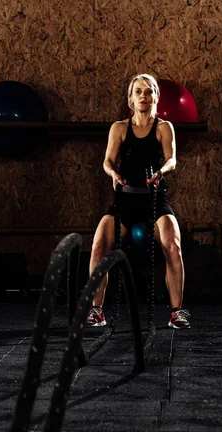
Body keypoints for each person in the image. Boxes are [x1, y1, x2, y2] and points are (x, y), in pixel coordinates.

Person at [87, 73, 190, 329]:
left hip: (155, 201)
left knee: (173, 247)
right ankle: (96, 311)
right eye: (138, 92)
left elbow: (172, 159)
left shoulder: (164, 127)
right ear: (131, 99)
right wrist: (112, 173)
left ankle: (177, 312)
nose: (143, 96)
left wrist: (161, 173)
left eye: (148, 91)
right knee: (99, 246)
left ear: (156, 96)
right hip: (125, 201)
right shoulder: (119, 128)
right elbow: (107, 161)